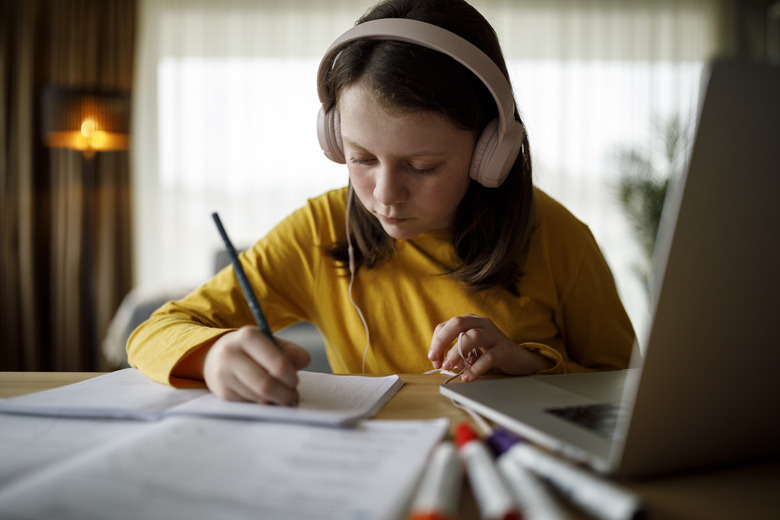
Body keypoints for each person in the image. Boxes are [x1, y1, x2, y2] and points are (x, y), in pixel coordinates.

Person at [127, 0, 635, 406]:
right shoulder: (319, 230)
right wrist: (213, 355)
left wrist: (532, 371)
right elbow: (154, 332)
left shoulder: (558, 236)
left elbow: (627, 391)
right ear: (334, 140)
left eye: (422, 166)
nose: (385, 196)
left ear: (489, 153)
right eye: (361, 158)